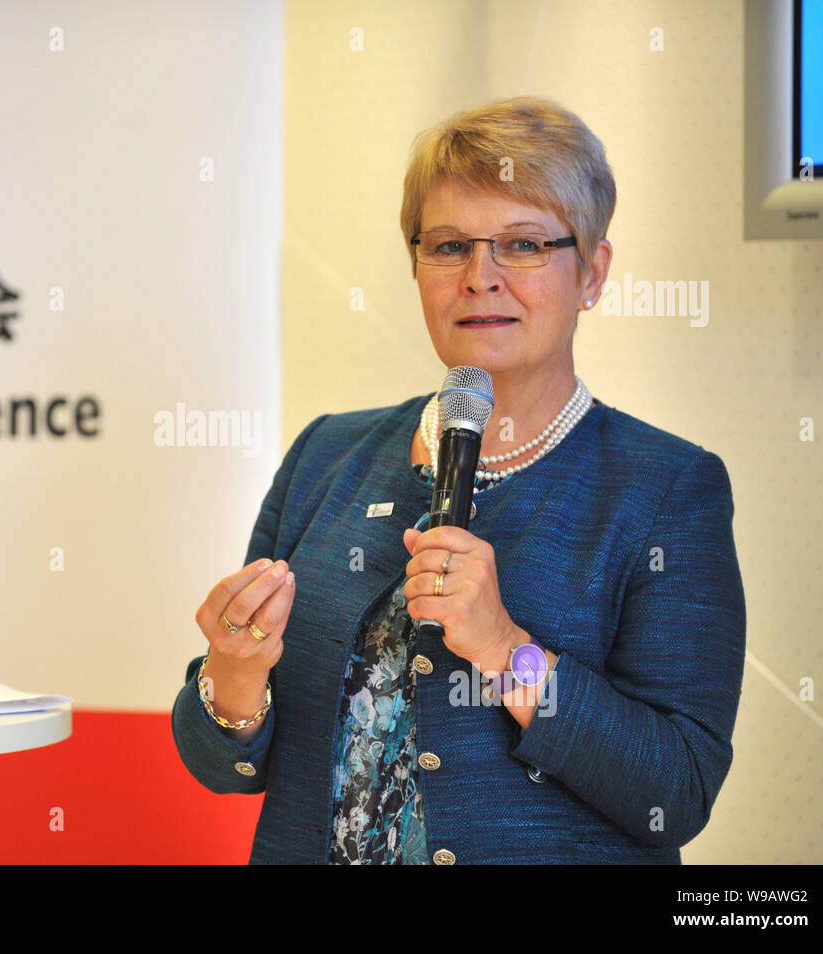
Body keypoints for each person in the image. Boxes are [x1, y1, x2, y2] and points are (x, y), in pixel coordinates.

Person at [170, 96, 746, 865]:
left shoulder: (667, 488)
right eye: (448, 246)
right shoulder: (326, 453)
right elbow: (226, 767)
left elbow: (676, 793)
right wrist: (234, 677)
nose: (480, 278)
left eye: (524, 244)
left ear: (593, 274)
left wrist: (509, 651)